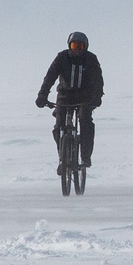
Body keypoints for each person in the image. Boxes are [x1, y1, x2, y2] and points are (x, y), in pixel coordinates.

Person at [36, 32, 103, 173]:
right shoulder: (62, 58)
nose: (77, 49)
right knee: (59, 126)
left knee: (85, 120)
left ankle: (85, 157)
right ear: (69, 46)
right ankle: (63, 157)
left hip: (85, 97)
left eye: (80, 46)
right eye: (74, 45)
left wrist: (97, 97)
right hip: (65, 96)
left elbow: (98, 80)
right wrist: (42, 95)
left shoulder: (91, 59)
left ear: (85, 47)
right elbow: (49, 77)